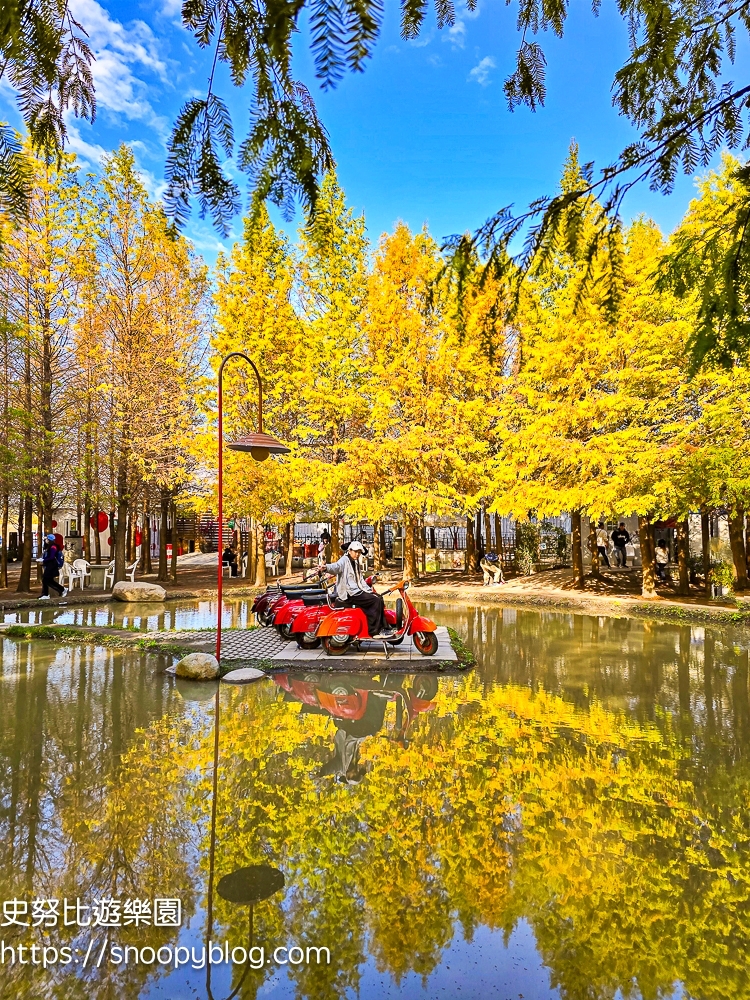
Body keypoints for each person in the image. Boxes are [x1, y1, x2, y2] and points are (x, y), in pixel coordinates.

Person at [323, 540, 394, 637]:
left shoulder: (355, 563)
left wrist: (370, 591)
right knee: (375, 601)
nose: (357, 554)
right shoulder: (344, 560)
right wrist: (326, 567)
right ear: (350, 550)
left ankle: (384, 627)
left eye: (359, 552)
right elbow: (336, 567)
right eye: (356, 552)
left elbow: (360, 580)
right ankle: (374, 631)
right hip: (349, 593)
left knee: (379, 598)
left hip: (356, 591)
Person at [39, 533, 67, 600]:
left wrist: (43, 560)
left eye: (47, 539)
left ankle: (46, 594)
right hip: (49, 565)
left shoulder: (53, 547)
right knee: (48, 580)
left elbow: (51, 557)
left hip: (52, 566)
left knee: (45, 579)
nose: (46, 540)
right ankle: (62, 589)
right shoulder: (49, 546)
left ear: (49, 540)